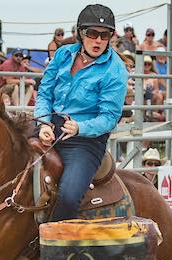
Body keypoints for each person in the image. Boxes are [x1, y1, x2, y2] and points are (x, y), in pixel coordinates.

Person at [35, 4, 128, 221]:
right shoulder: (62, 55)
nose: (98, 40)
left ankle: (55, 247)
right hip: (50, 126)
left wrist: (80, 128)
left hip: (85, 141)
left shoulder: (115, 70)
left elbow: (109, 117)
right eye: (92, 33)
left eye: (105, 35)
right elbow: (44, 93)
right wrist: (43, 123)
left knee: (68, 196)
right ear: (81, 33)